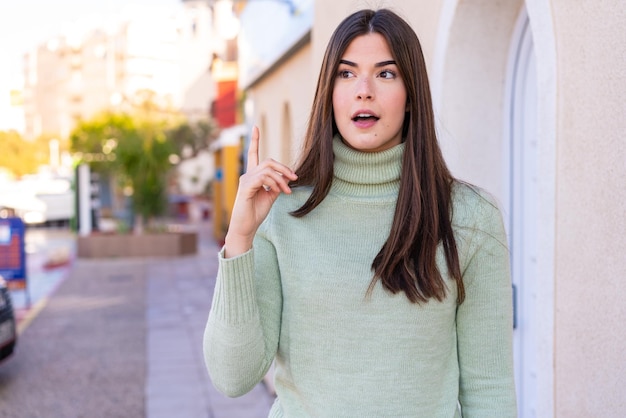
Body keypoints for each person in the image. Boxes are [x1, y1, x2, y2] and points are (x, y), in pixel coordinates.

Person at [203, 8, 517, 417]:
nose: (363, 90)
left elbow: (489, 388)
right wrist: (239, 238)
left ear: (411, 98)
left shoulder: (470, 217)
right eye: (346, 74)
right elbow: (232, 377)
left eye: (386, 74)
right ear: (329, 93)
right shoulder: (280, 213)